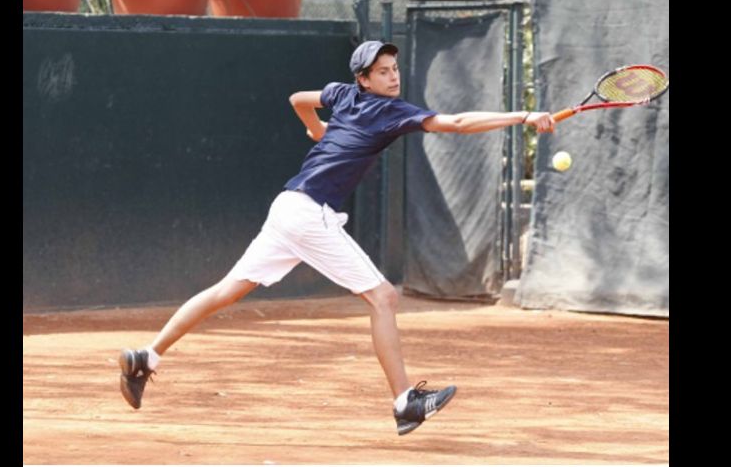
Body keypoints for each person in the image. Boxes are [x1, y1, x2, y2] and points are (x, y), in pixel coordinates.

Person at [118, 40, 555, 436]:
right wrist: (524, 115)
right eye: (381, 71)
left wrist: (316, 129)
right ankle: (406, 402)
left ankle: (147, 356)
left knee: (227, 291)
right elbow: (457, 122)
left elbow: (297, 100)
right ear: (363, 78)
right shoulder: (391, 111)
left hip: (286, 206)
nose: (393, 76)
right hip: (309, 214)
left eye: (394, 68)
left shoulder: (342, 95)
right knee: (383, 297)